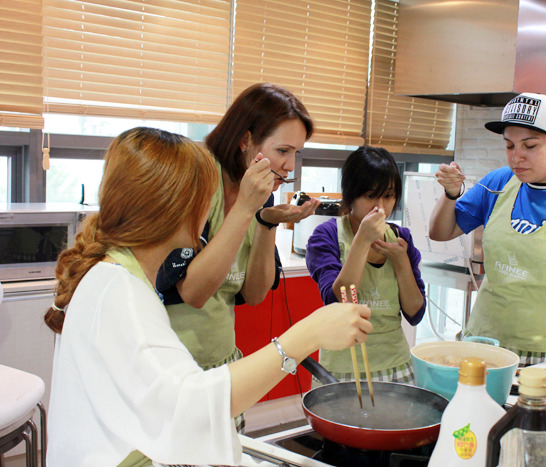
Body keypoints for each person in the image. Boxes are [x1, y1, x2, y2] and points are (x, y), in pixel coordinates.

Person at [44, 127, 371, 466]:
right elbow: (191, 405)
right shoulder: (120, 292)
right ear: (177, 208)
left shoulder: (115, 274)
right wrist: (307, 335)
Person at [155, 83, 320, 431]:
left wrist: (266, 223)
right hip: (173, 368)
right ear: (245, 140)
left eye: (296, 154)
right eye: (282, 151)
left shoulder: (260, 196)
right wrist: (246, 208)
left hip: (222, 364)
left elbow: (255, 294)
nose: (289, 166)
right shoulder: (199, 180)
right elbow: (194, 293)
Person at [429, 92, 546, 366]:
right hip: (485, 344)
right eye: (509, 145)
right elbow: (440, 232)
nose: (517, 157)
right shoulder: (499, 182)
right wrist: (450, 193)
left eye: (530, 146)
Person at [305, 146, 426, 384]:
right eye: (371, 196)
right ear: (351, 194)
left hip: (397, 365)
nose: (380, 207)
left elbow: (415, 313)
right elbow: (339, 300)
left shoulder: (401, 238)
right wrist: (361, 240)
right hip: (342, 369)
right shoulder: (327, 235)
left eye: (389, 196)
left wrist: (401, 262)